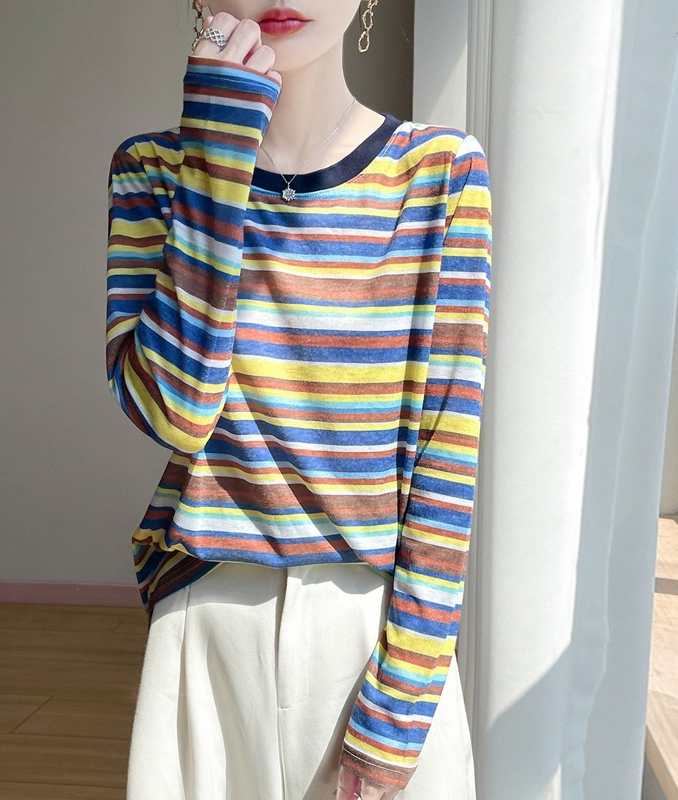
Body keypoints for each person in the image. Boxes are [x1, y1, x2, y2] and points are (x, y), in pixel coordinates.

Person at [106, 2, 492, 798]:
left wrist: (400, 707)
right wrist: (218, 151)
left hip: (376, 635)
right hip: (207, 623)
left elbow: (445, 457)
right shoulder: (153, 170)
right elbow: (175, 411)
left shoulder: (440, 172)